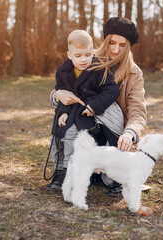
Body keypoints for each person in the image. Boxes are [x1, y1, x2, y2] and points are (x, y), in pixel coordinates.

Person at [51, 17, 147, 196]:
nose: (116, 49)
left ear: (128, 46)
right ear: (106, 40)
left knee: (110, 108)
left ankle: (116, 177)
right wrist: (56, 95)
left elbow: (138, 111)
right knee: (66, 120)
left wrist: (130, 132)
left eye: (122, 45)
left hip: (114, 132)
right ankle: (66, 170)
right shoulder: (87, 57)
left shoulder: (134, 73)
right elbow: (66, 85)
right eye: (112, 42)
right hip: (85, 126)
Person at [48, 29, 121, 190]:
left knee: (72, 138)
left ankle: (69, 172)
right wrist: (63, 112)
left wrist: (94, 106)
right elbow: (62, 92)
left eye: (87, 55)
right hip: (69, 112)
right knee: (58, 137)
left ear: (93, 52)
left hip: (87, 113)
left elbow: (112, 91)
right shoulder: (62, 71)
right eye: (78, 56)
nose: (83, 60)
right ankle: (59, 172)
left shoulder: (99, 69)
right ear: (69, 54)